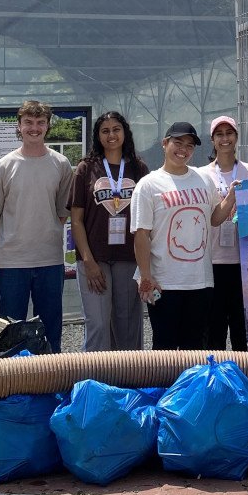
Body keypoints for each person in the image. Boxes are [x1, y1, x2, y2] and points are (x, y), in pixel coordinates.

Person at [132, 121, 236, 349]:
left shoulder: (203, 178)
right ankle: (166, 385)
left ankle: (191, 386)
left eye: (189, 146)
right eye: (178, 143)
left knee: (195, 346)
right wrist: (147, 278)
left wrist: (232, 196)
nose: (183, 150)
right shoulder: (148, 185)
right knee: (165, 346)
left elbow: (215, 218)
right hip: (165, 282)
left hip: (200, 280)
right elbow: (141, 235)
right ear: (165, 144)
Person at [0, 100, 74, 352]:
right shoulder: (3, 166)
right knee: (10, 331)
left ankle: (51, 382)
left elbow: (61, 212)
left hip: (50, 260)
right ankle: (12, 386)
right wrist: (11, 240)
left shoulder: (61, 164)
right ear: (19, 126)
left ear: (48, 126)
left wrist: (46, 233)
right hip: (12, 263)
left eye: (40, 122)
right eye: (29, 122)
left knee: (50, 329)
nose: (34, 128)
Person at [69, 111, 150, 351]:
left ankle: (129, 380)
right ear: (98, 136)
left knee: (128, 325)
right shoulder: (86, 168)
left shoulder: (138, 168)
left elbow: (148, 216)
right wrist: (88, 261)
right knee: (99, 325)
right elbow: (76, 221)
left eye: (116, 129)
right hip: (95, 259)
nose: (111, 135)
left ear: (125, 133)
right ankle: (95, 382)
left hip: (129, 257)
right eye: (105, 131)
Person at [199, 115, 248, 351]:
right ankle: (217, 379)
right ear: (213, 140)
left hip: (242, 261)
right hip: (213, 260)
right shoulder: (202, 175)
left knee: (242, 328)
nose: (225, 139)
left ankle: (244, 379)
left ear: (236, 137)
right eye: (219, 134)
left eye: (229, 133)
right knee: (214, 329)